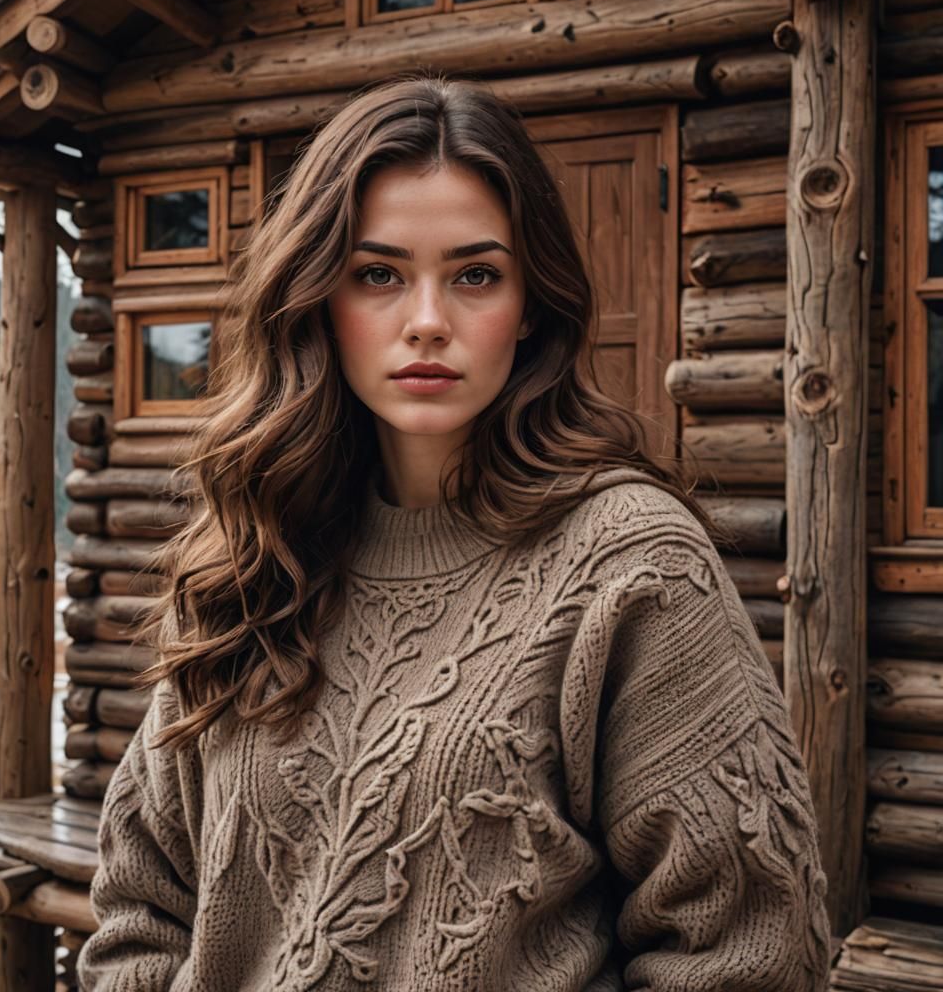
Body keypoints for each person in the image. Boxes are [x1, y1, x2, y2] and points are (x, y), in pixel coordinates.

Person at [76, 71, 832, 992]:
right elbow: (139, 912)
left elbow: (751, 954)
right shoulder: (257, 554)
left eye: (476, 275)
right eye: (378, 274)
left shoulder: (632, 565)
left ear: (531, 306)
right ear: (317, 301)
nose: (427, 322)